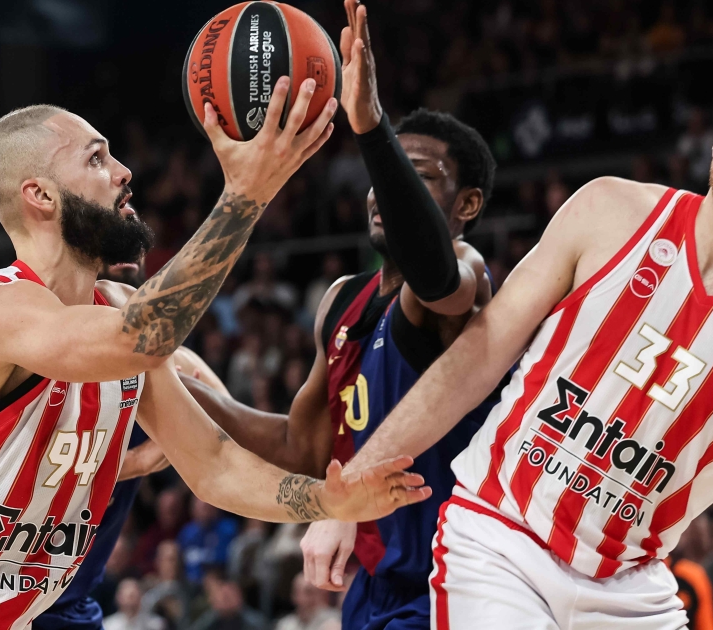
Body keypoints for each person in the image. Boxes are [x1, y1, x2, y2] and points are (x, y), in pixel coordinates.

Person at [0, 81, 431, 629]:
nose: (123, 172)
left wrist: (326, 500)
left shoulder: (118, 307)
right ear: (40, 195)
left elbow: (214, 465)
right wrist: (246, 194)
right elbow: (138, 338)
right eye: (96, 159)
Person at [344, 57, 713, 629]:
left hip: (631, 584)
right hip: (501, 537)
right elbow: (475, 358)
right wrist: (353, 488)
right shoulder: (610, 211)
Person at [184, 3, 497, 629]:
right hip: (375, 588)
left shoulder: (468, 276)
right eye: (385, 173)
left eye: (416, 174)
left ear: (467, 204)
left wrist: (373, 128)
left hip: (459, 585)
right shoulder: (342, 300)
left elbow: (438, 280)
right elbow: (300, 448)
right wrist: (169, 386)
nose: (385, 188)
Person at [32, 261, 226, 630]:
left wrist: (197, 420)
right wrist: (140, 459)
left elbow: (233, 428)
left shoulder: (168, 361)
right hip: (1, 588)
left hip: (70, 599)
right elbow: (32, 466)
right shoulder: (43, 347)